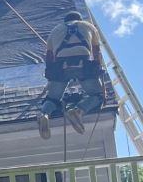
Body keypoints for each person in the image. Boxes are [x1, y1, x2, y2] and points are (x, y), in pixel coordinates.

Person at [37, 9, 104, 138]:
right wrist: (97, 67)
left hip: (60, 66)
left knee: (53, 98)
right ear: (79, 19)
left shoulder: (55, 30)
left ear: (65, 21)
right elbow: (96, 51)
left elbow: (49, 57)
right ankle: (78, 111)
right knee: (97, 95)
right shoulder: (88, 26)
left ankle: (44, 114)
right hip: (83, 63)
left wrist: (52, 76)